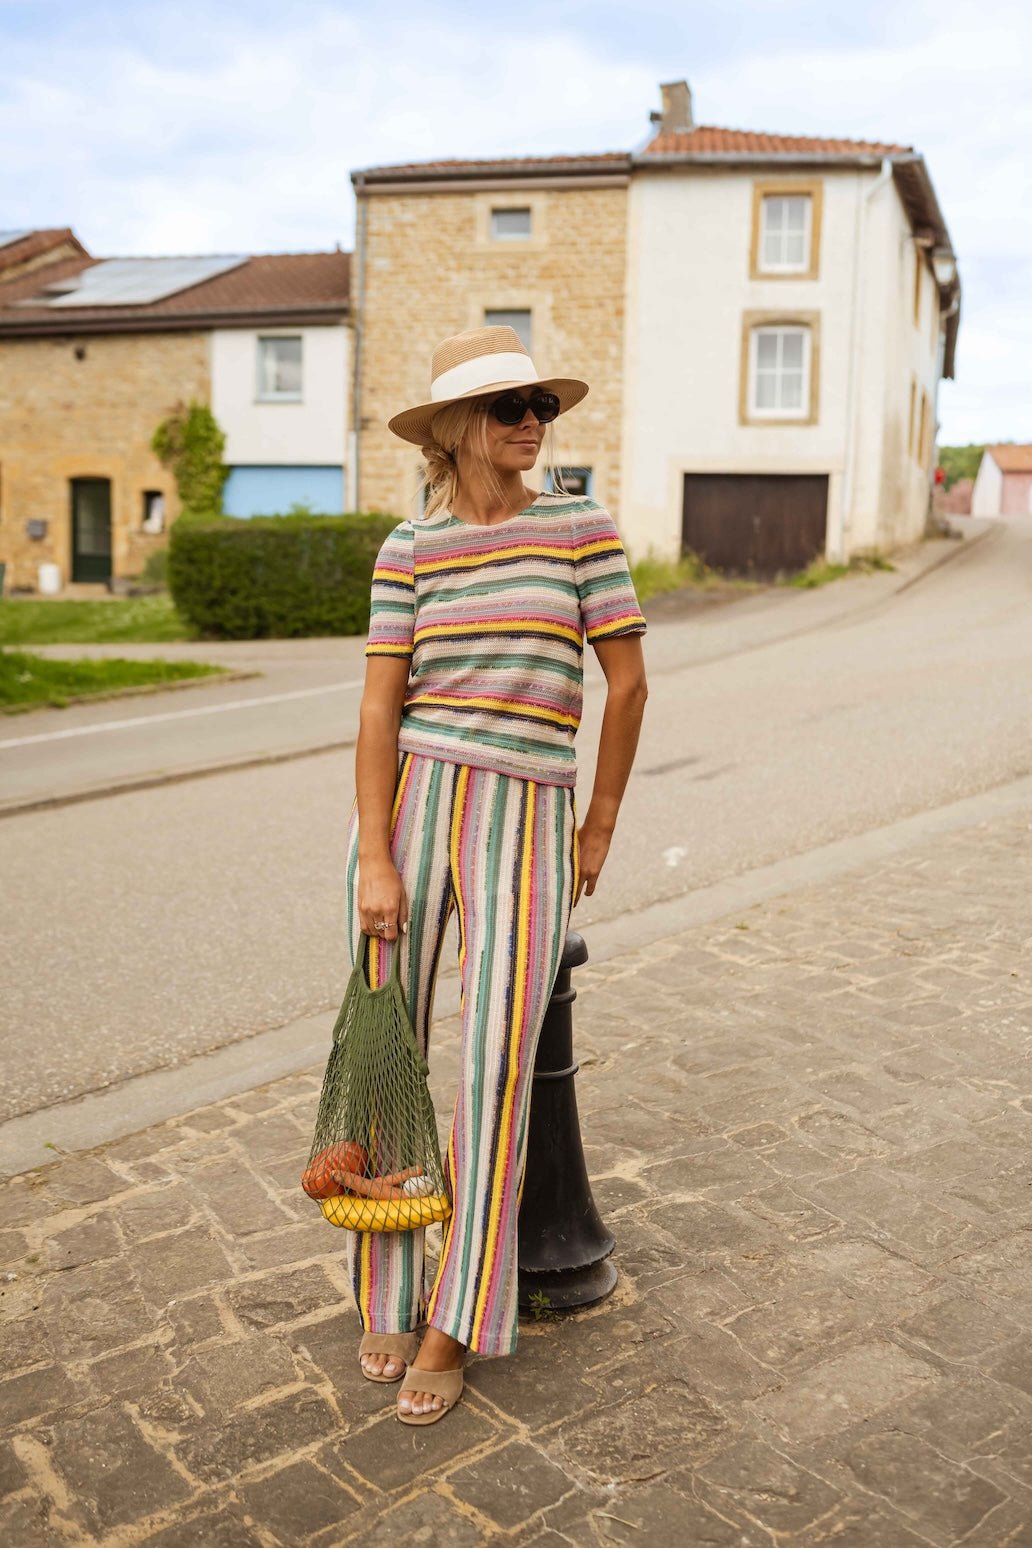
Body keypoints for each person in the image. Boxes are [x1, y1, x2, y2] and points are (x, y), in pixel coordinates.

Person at [345, 325, 648, 1425]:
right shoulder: (408, 550)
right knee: (389, 1059)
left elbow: (630, 685)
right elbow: (380, 708)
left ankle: (453, 1318)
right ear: (459, 429)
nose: (533, 423)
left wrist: (599, 825)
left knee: (495, 1075)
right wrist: (376, 852)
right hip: (416, 801)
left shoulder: (582, 531)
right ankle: (383, 1283)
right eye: (511, 406)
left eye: (542, 407)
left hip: (528, 812)